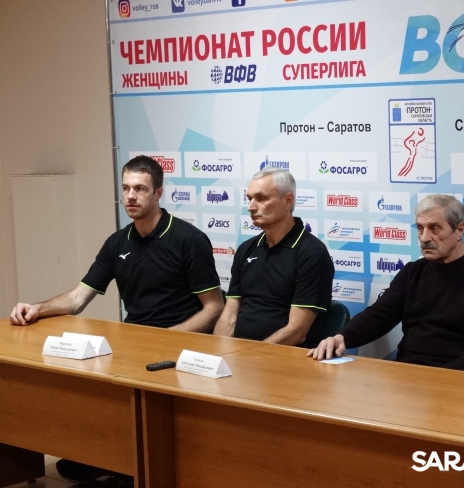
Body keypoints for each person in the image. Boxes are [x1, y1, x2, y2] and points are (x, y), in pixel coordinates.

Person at [9, 155, 223, 483]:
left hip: (180, 348)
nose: (131, 196)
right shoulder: (117, 242)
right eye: (126, 188)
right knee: (86, 387)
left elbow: (214, 307)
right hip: (133, 343)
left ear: (158, 193)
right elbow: (77, 298)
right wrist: (36, 308)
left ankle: (128, 469)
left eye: (140, 189)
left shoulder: (188, 239)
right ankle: (106, 460)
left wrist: (167, 338)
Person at [308, 194, 464, 373]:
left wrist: (441, 379)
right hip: (407, 372)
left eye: (434, 228)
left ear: (459, 230)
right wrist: (342, 337)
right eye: (420, 228)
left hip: (456, 378)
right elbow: (380, 315)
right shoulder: (413, 271)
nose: (425, 238)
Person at [213, 168, 334, 347]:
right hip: (240, 353)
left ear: (288, 201)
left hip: (285, 356)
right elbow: (229, 316)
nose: (251, 207)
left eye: (261, 198)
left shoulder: (312, 254)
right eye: (249, 198)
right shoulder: (246, 249)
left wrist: (247, 355)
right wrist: (218, 352)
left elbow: (297, 332)